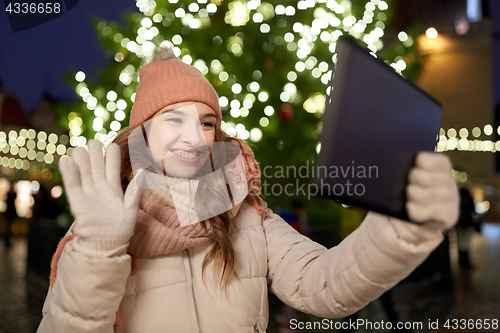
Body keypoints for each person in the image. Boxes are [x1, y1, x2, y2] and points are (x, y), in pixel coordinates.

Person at [37, 48, 459, 333]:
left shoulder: (244, 214)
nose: (194, 136)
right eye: (173, 118)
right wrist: (99, 249)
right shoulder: (102, 222)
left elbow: (325, 285)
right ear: (141, 133)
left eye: (206, 122)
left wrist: (399, 225)